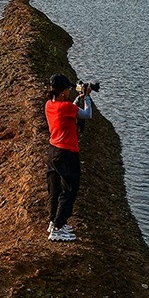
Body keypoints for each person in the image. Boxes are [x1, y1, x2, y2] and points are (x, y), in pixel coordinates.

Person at [44, 73, 93, 242]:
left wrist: (77, 100)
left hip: (53, 151)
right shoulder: (66, 107)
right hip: (67, 154)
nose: (70, 91)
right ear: (63, 92)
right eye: (68, 89)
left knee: (55, 190)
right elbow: (87, 115)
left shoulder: (49, 104)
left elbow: (67, 110)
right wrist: (86, 98)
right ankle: (58, 228)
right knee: (69, 190)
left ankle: (53, 222)